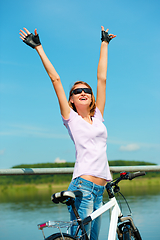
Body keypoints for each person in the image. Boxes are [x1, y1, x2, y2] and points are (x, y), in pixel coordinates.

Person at [19, 26, 116, 240]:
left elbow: (102, 78)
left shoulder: (98, 116)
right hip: (84, 186)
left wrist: (105, 43)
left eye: (86, 91)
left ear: (91, 97)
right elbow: (55, 79)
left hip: (101, 188)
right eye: (77, 91)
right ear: (71, 99)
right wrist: (38, 48)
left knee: (93, 239)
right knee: (80, 238)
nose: (83, 92)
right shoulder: (70, 118)